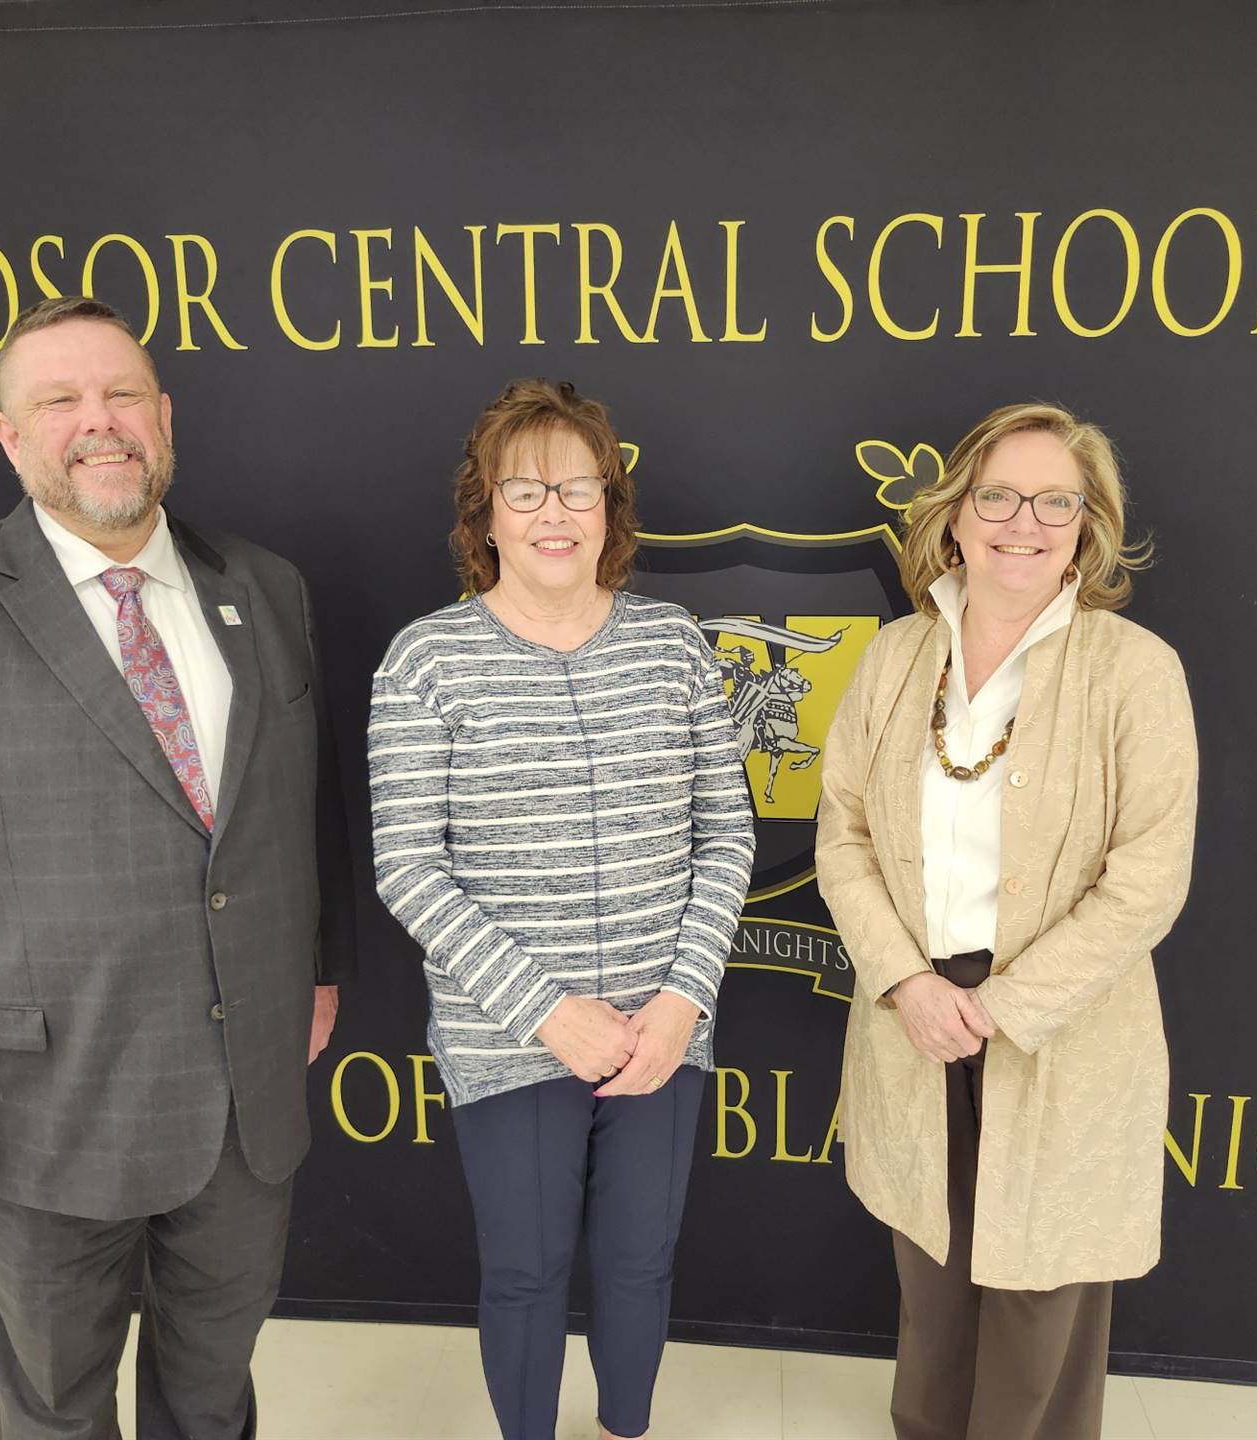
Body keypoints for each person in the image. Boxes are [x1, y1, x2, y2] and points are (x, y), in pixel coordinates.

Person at [0, 295, 354, 1439]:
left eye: (121, 395)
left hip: (241, 1101)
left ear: (164, 418)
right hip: (43, 1111)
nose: (96, 422)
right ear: (10, 437)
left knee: (211, 1390)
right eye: (58, 400)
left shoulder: (265, 588)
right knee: (56, 1408)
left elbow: (307, 810)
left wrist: (316, 969)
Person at [367, 379, 755, 1440]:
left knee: (641, 1258)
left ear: (610, 510)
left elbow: (728, 836)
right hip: (511, 1039)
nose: (553, 513)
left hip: (662, 1033)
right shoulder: (426, 660)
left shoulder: (673, 644)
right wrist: (550, 1011)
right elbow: (407, 866)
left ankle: (626, 1428)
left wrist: (681, 1003)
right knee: (528, 1271)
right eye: (524, 489)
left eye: (577, 489)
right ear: (484, 513)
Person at [815, 401, 1198, 1440]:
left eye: (1055, 502)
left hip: (1059, 1027)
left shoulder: (1135, 670)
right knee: (931, 1284)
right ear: (954, 515)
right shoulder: (894, 658)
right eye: (998, 495)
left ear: (1087, 526)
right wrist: (906, 983)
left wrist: (1004, 1007)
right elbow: (841, 838)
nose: (1022, 521)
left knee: (1041, 1296)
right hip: (915, 1014)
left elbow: (1148, 880)